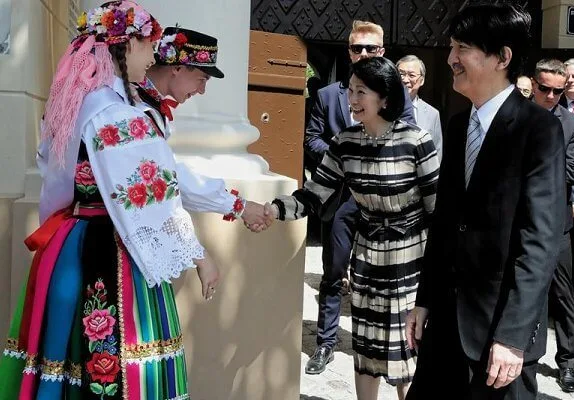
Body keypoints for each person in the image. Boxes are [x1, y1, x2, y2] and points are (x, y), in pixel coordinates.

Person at [0, 3, 265, 398]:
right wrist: (199, 254)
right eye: (148, 46)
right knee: (117, 364)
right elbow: (154, 191)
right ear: (128, 46)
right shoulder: (114, 113)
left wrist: (62, 233)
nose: (153, 55)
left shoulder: (81, 102)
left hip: (71, 241)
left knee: (63, 353)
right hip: (111, 248)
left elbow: (57, 184)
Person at [405, 4, 566, 399]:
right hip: (444, 327)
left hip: (499, 341)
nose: (450, 59)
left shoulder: (538, 130)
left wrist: (513, 337)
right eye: (451, 47)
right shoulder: (459, 125)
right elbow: (445, 223)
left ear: (502, 57)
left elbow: (541, 242)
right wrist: (425, 300)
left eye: (461, 48)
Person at [268, 56, 439, 400]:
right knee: (367, 349)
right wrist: (273, 210)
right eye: (351, 90)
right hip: (367, 260)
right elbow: (314, 196)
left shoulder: (417, 140)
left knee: (408, 349)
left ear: (386, 98)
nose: (352, 99)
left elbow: (437, 211)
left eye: (362, 92)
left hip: (411, 261)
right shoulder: (345, 141)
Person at [302, 19, 416, 375]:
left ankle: (384, 346)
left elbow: (408, 135)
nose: (363, 54)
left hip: (382, 203)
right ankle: (325, 343)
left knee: (379, 278)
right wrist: (343, 156)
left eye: (370, 48)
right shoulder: (326, 95)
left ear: (382, 52)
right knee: (334, 271)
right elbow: (312, 139)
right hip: (339, 197)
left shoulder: (395, 95)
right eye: (357, 48)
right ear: (348, 51)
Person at [132, 26, 271, 232]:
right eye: (202, 79)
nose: (202, 90)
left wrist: (238, 205)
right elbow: (170, 177)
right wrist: (240, 206)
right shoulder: (135, 107)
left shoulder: (148, 104)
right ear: (177, 68)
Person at [531, 58, 574, 393]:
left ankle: (567, 362)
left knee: (563, 296)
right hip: (519, 222)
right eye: (545, 89)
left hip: (556, 226)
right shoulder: (514, 117)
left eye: (558, 90)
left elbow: (569, 173)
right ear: (534, 84)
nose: (552, 96)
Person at [396, 54, 443, 160]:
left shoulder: (433, 114)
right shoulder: (383, 106)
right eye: (401, 74)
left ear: (421, 80)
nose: (405, 80)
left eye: (411, 75)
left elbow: (437, 151)